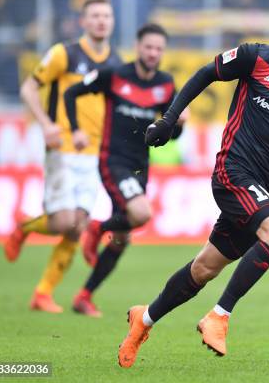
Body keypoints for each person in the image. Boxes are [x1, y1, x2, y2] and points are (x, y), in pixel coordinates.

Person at [117, 0, 269, 368]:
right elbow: (204, 74)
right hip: (233, 172)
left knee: (204, 268)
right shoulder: (255, 57)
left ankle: (144, 319)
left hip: (268, 190)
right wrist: (168, 120)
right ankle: (219, 316)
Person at [3, 0, 121, 313]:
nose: (101, 21)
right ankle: (25, 227)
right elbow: (29, 88)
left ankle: (42, 293)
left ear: (112, 21)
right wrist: (46, 125)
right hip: (64, 148)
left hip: (96, 154)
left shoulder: (116, 63)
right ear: (83, 21)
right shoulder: (64, 53)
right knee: (63, 221)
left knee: (77, 226)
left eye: (106, 16)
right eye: (94, 15)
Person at [64, 23, 188, 317]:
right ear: (138, 47)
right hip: (113, 159)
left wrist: (180, 125)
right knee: (141, 214)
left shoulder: (166, 84)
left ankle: (84, 295)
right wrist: (76, 130)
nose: (153, 53)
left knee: (121, 239)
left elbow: (168, 135)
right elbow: (71, 93)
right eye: (148, 47)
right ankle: (97, 228)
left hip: (140, 166)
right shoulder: (115, 76)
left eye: (158, 48)